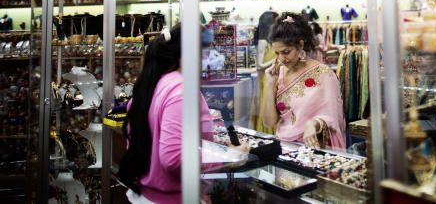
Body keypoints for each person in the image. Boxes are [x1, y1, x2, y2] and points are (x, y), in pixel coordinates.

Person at [118, 23, 246, 203]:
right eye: (204, 54)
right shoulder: (182, 91)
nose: (207, 62)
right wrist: (228, 156)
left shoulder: (153, 83)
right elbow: (174, 158)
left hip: (144, 195)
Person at [261, 12, 346, 151]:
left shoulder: (323, 75)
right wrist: (270, 83)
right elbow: (269, 122)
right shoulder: (277, 75)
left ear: (300, 45)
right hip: (284, 150)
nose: (281, 58)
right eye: (277, 53)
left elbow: (334, 118)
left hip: (315, 152)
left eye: (286, 52)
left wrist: (313, 123)